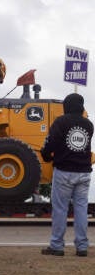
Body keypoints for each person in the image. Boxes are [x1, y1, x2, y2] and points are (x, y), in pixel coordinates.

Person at [41, 93, 93, 257]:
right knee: (81, 210)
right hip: (84, 173)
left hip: (64, 172)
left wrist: (46, 155)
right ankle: (82, 247)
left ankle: (57, 246)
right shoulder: (89, 125)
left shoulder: (61, 122)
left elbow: (52, 142)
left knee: (60, 209)